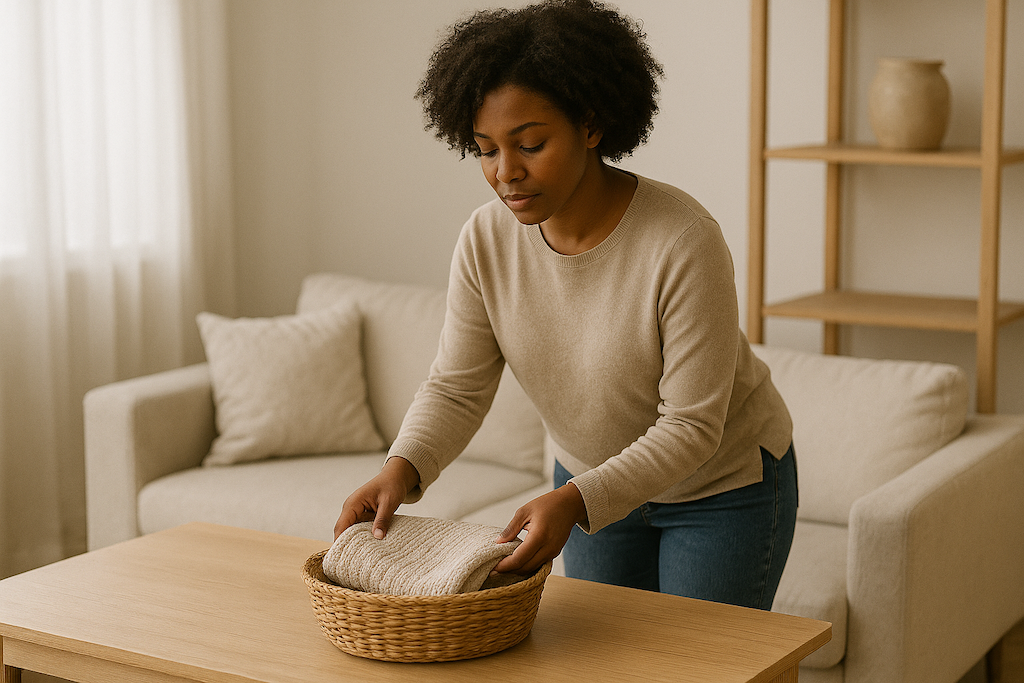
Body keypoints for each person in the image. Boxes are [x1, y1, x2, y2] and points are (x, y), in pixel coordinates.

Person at [334, 0, 797, 610]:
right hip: (587, 481)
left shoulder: (682, 240)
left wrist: (577, 499)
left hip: (720, 490)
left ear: (591, 124)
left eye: (529, 144)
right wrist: (403, 467)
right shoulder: (485, 240)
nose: (506, 174)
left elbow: (691, 425)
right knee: (595, 666)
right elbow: (456, 386)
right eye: (486, 149)